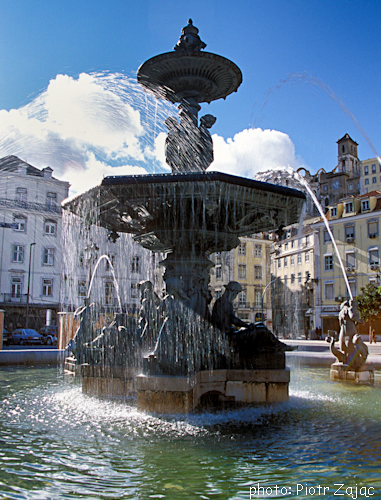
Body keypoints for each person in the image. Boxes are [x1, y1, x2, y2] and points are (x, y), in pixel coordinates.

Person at [211, 281, 295, 353]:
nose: (236, 296)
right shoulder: (223, 303)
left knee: (260, 324)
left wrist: (245, 326)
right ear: (231, 291)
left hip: (231, 334)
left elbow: (229, 320)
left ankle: (277, 346)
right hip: (229, 338)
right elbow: (233, 320)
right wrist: (247, 325)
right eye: (236, 293)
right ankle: (279, 347)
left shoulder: (223, 302)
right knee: (261, 329)